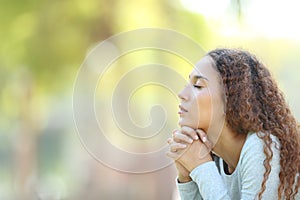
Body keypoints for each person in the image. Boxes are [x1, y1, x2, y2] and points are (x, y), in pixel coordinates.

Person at [166, 48, 300, 200]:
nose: (182, 94)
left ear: (231, 101)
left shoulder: (262, 148)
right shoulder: (213, 156)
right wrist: (186, 178)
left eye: (198, 86)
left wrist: (201, 168)